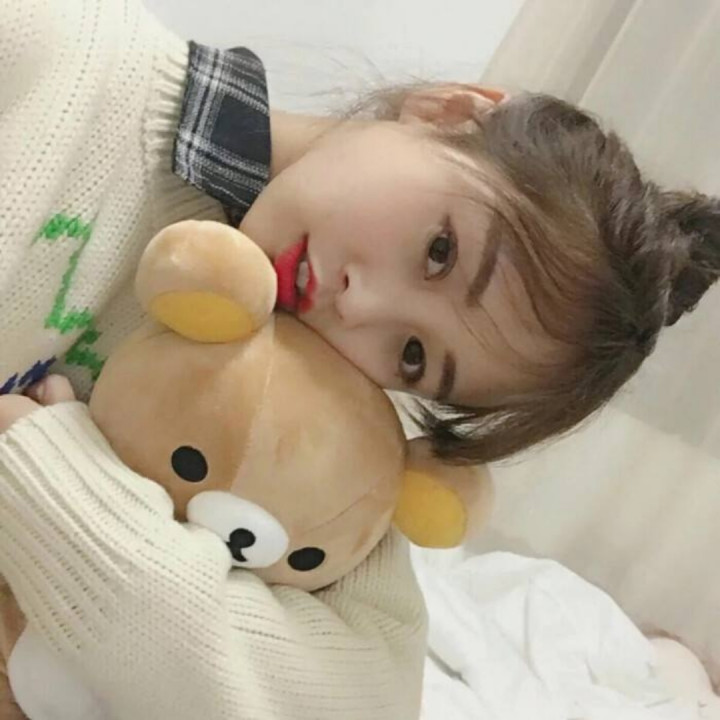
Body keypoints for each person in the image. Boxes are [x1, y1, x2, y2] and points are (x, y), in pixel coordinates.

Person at [0, 0, 718, 717]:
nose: (359, 307)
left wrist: (51, 485)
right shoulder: (51, 52)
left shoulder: (301, 404)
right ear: (449, 112)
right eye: (440, 252)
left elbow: (358, 701)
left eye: (413, 356)